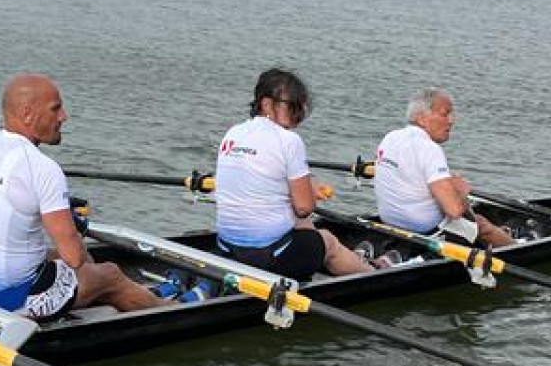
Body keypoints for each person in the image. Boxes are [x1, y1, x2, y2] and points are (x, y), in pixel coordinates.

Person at [0, 74, 165, 318]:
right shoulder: (42, 168)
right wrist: (69, 223)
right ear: (27, 113)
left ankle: (103, 294)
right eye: (55, 109)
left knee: (78, 260)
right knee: (110, 273)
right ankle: (171, 310)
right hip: (15, 298)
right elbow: (73, 258)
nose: (64, 117)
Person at [213, 68, 373, 282]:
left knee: (301, 224)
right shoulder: (289, 141)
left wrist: (302, 189)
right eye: (293, 105)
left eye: (301, 106)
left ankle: (355, 260)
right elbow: (305, 207)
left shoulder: (232, 133)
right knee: (327, 241)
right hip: (268, 258)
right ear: (266, 104)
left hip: (226, 248)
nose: (298, 113)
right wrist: (310, 191)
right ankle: (375, 273)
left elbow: (261, 182)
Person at [373, 88, 514, 247]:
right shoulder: (429, 149)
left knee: (464, 212)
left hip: (390, 223)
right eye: (445, 114)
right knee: (479, 224)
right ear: (422, 118)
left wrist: (446, 184)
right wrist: (460, 191)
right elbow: (454, 211)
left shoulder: (390, 137)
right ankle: (519, 249)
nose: (451, 120)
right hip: (425, 232)